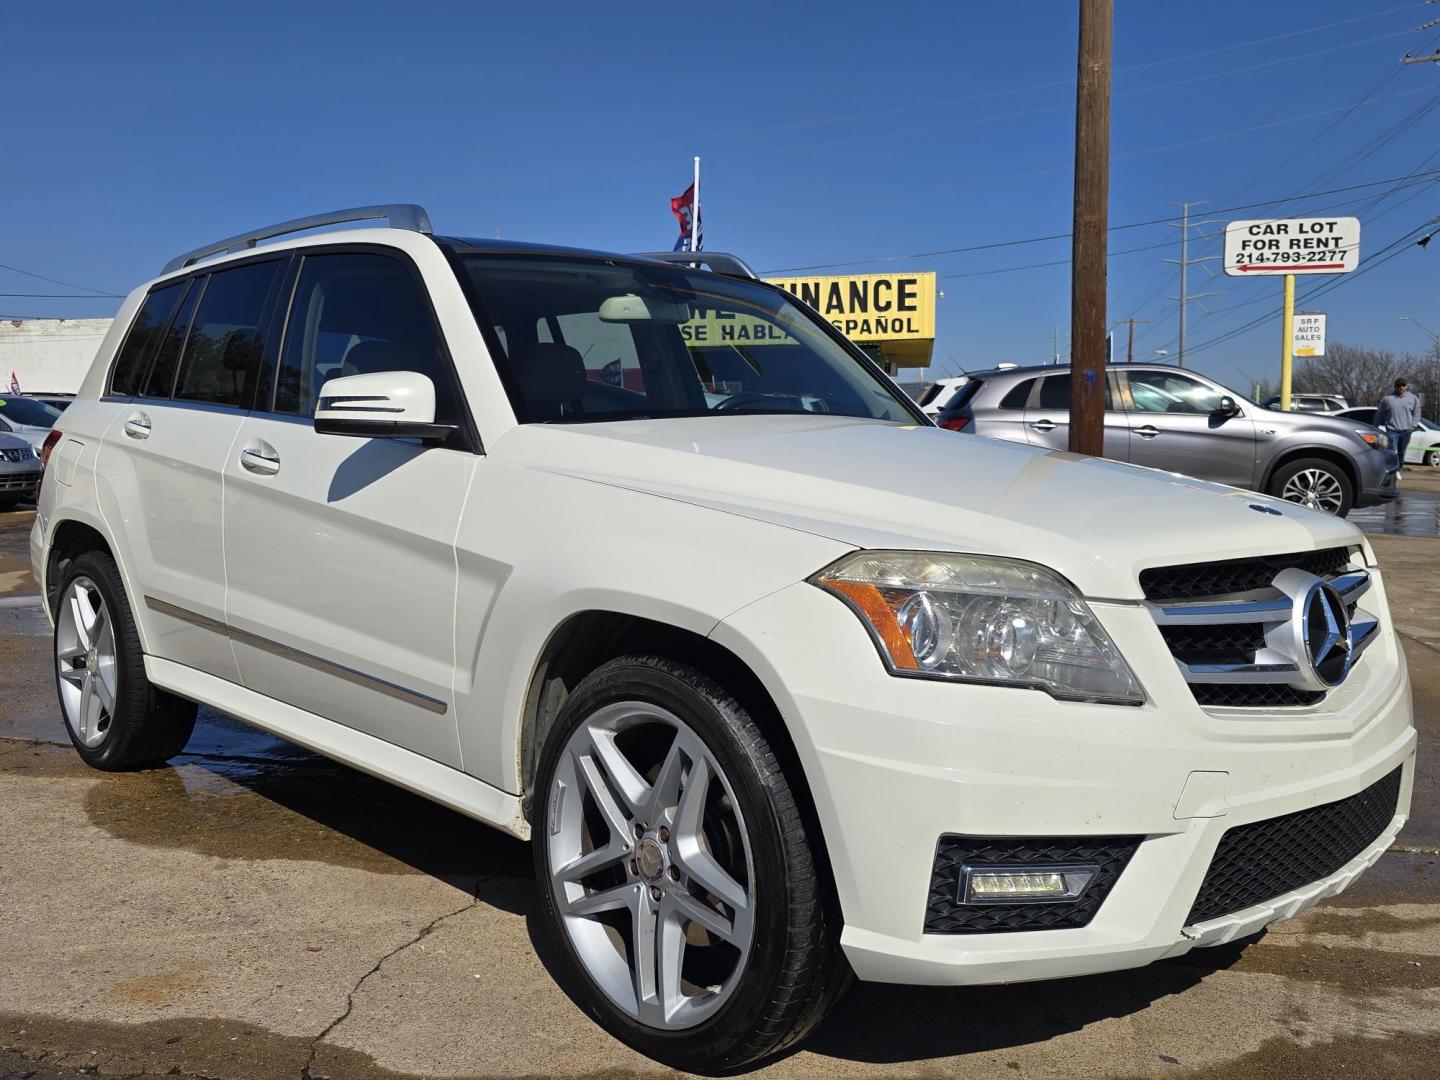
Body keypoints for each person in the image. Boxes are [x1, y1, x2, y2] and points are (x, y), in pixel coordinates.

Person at [1375, 378, 1422, 469]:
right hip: (1392, 431)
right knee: (1391, 451)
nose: (1401, 387)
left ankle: (1399, 468)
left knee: (1402, 452)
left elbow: (1417, 413)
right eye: (1398, 385)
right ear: (1395, 387)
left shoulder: (1413, 398)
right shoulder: (1387, 399)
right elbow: (1379, 414)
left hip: (1406, 431)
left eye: (1403, 385)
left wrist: (1413, 426)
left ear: (1406, 386)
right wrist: (1375, 426)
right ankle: (1390, 469)